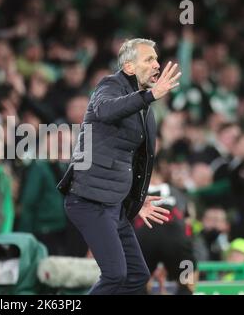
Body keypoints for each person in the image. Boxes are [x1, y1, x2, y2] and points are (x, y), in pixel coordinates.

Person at [57, 38, 181, 295]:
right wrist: (149, 96)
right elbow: (105, 111)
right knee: (115, 274)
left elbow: (139, 162)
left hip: (115, 204)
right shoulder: (110, 85)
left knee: (137, 276)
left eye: (156, 59)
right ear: (129, 67)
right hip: (89, 200)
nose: (157, 64)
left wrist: (137, 199)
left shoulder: (146, 109)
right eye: (149, 59)